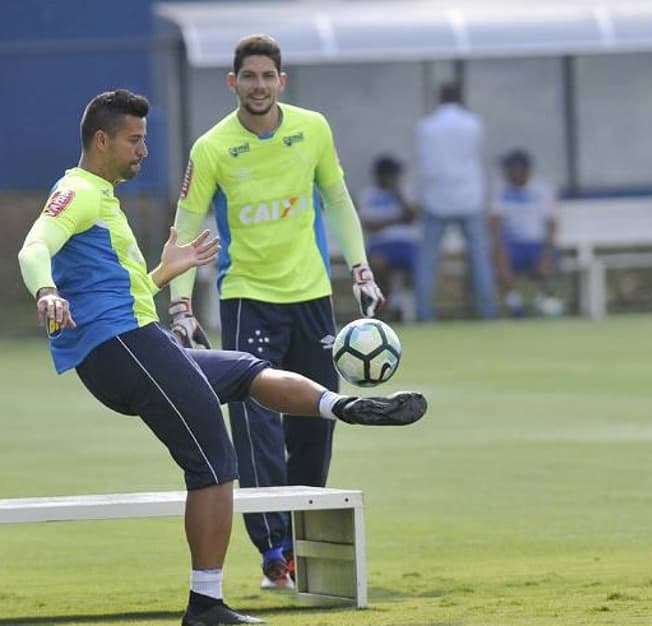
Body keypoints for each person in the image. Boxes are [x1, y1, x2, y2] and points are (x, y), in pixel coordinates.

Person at [16, 90, 427, 626]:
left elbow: (120, 289)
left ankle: (343, 408)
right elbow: (33, 247)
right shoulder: (78, 190)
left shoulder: (102, 196)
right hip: (120, 348)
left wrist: (167, 270)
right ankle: (205, 605)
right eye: (135, 140)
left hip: (136, 340)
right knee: (214, 463)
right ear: (102, 140)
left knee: (244, 371)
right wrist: (46, 291)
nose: (144, 151)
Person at [168, 34, 387, 590]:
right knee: (256, 425)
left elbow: (337, 200)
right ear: (233, 83)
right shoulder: (212, 147)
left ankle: (308, 537)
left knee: (318, 418)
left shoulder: (312, 128)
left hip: (312, 296)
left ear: (281, 82)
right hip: (247, 298)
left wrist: (359, 269)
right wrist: (181, 301)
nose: (259, 86)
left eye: (268, 77)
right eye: (249, 77)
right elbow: (187, 228)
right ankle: (274, 551)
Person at [414, 82, 498, 321]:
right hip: (469, 196)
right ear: (461, 97)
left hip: (436, 197)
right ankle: (488, 311)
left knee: (428, 260)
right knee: (480, 258)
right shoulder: (473, 123)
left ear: (439, 98)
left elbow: (425, 164)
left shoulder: (426, 127)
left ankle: (424, 314)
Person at [489, 149, 563, 317]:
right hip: (512, 245)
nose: (508, 173)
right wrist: (497, 245)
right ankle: (515, 305)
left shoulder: (543, 190)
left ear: (522, 169)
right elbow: (494, 223)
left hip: (538, 243)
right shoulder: (500, 190)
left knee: (547, 258)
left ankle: (545, 302)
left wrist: (547, 250)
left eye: (511, 169)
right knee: (499, 255)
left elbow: (552, 224)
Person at [357, 155, 419, 321]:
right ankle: (386, 309)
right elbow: (369, 224)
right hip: (381, 245)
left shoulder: (403, 192)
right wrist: (398, 218)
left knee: (417, 266)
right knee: (378, 266)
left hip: (406, 244)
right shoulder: (368, 195)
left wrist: (398, 194)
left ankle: (407, 310)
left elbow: (412, 216)